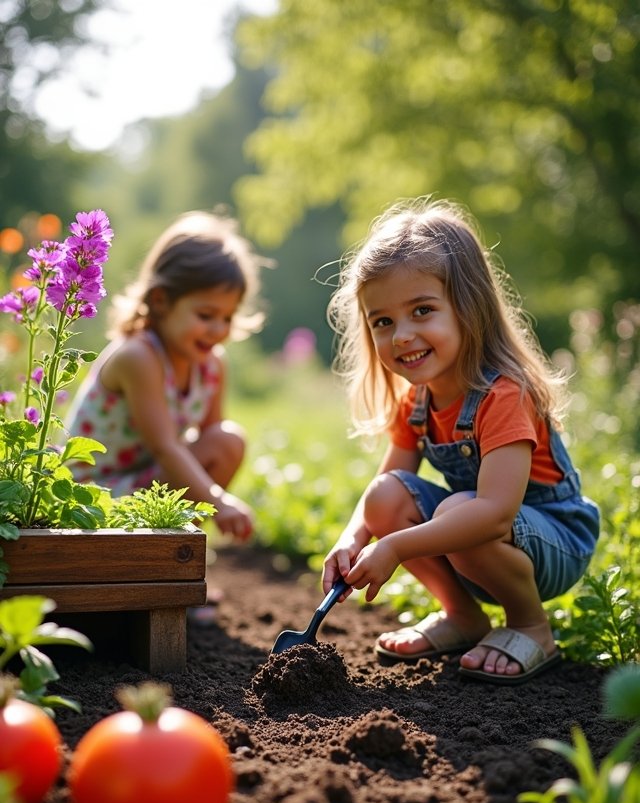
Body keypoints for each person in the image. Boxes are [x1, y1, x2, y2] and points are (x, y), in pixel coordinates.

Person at [322, 197, 599, 685]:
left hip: (554, 541)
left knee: (460, 513)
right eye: (383, 321)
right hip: (485, 535)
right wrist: (353, 540)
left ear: (468, 308)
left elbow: (492, 513)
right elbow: (387, 485)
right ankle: (464, 617)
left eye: (422, 311)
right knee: (385, 497)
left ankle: (532, 627)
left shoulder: (504, 394)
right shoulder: (418, 402)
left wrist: (395, 549)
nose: (402, 335)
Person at [65, 211, 267, 617]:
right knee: (199, 456)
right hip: (94, 496)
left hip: (147, 482)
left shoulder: (212, 365)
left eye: (227, 317)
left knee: (228, 441)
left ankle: (179, 569)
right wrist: (219, 500)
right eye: (206, 315)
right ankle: (168, 577)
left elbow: (212, 443)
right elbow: (168, 446)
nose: (218, 330)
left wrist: (216, 495)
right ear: (161, 301)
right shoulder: (139, 356)